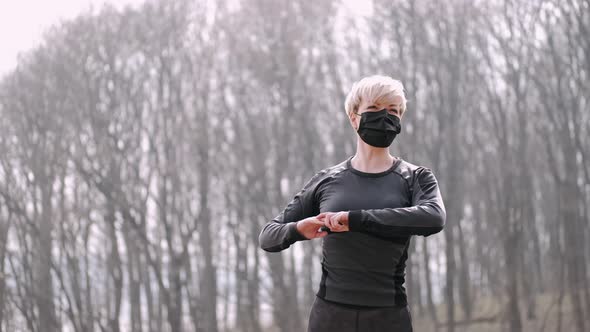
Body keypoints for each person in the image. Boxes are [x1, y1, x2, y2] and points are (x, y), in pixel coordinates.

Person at [258, 75, 446, 332]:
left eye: (393, 110)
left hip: (388, 318)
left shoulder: (415, 177)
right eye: (374, 108)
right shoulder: (327, 180)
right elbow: (268, 236)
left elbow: (433, 217)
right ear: (354, 117)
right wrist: (300, 228)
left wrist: (354, 219)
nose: (384, 117)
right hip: (329, 318)